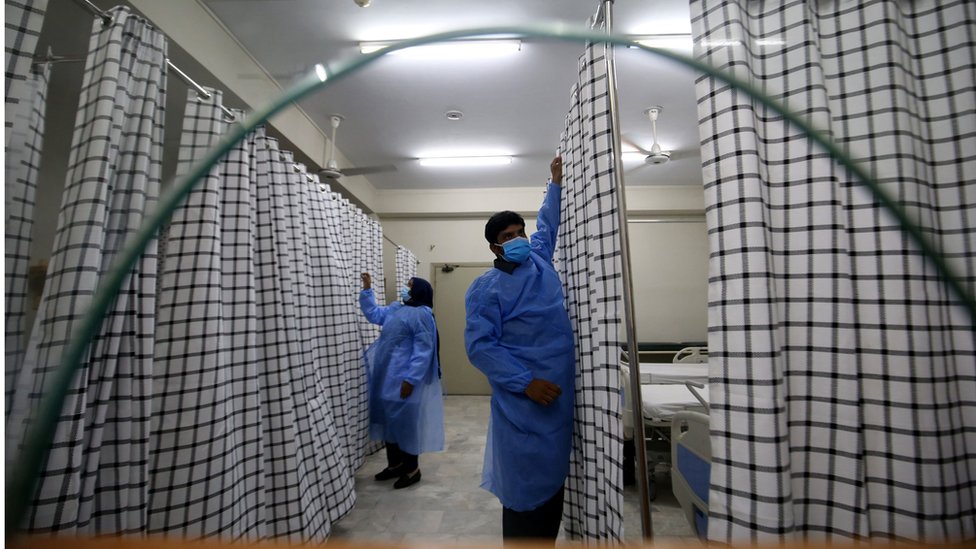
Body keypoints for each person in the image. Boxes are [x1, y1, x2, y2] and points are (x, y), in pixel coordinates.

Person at [464, 156, 575, 542]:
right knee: (524, 489)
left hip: (559, 396)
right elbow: (480, 347)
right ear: (495, 247)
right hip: (524, 401)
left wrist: (555, 184)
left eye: (519, 232)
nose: (518, 239)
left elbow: (548, 224)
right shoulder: (486, 289)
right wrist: (526, 383)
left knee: (554, 483)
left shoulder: (540, 260)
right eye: (508, 236)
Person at [359, 273, 444, 489]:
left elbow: (423, 349)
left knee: (405, 424)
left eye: (410, 285)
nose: (406, 288)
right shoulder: (396, 308)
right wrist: (367, 289)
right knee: (389, 421)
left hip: (405, 378)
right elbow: (374, 314)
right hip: (386, 375)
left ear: (420, 291)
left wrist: (411, 379)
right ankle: (395, 465)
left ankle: (412, 470)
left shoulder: (422, 314)